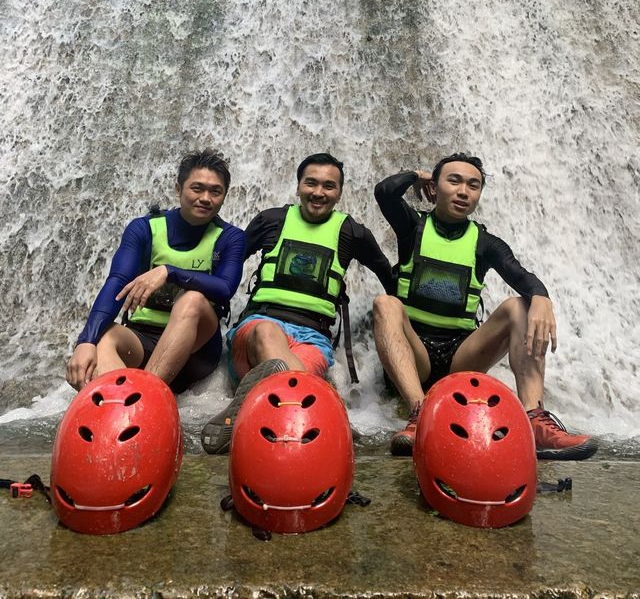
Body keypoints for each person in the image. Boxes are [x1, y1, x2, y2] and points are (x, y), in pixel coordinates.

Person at [373, 153, 597, 460]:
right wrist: (416, 176)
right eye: (454, 181)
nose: (464, 191)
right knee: (386, 304)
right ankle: (419, 414)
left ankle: (535, 420)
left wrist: (542, 298)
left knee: (520, 306)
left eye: (473, 185)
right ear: (435, 188)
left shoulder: (485, 243)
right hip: (414, 355)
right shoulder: (413, 227)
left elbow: (521, 275)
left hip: (460, 359)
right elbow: (385, 192)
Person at [201, 152, 394, 453]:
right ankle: (331, 414)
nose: (318, 192)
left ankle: (250, 407)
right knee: (268, 334)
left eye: (329, 186)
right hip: (256, 330)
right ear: (298, 186)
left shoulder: (352, 233)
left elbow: (388, 275)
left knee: (284, 370)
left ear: (340, 192)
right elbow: (226, 264)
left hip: (313, 340)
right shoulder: (271, 220)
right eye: (311, 183)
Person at [66, 149, 245, 393]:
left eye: (215, 191)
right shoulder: (144, 229)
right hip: (142, 340)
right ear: (178, 188)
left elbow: (225, 289)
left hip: (197, 352)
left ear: (224, 196)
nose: (205, 198)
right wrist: (86, 341)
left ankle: (144, 395)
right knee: (104, 337)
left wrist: (170, 272)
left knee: (192, 299)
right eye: (197, 188)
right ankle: (116, 403)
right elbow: (117, 281)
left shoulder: (230, 237)